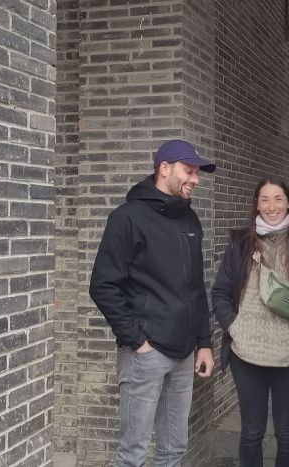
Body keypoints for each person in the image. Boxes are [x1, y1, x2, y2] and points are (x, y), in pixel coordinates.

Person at [89, 139, 216, 467]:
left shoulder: (190, 220)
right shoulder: (127, 218)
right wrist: (137, 340)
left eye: (197, 173)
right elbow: (103, 285)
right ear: (164, 168)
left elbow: (195, 287)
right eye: (189, 170)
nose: (196, 179)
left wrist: (203, 343)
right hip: (146, 354)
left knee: (174, 449)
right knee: (132, 454)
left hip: (184, 353)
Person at [212, 178, 289, 467]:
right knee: (251, 432)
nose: (271, 206)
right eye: (264, 199)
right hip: (246, 355)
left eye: (278, 199)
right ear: (256, 204)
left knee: (287, 433)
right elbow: (220, 292)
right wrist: (234, 327)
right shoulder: (240, 244)